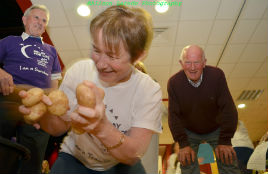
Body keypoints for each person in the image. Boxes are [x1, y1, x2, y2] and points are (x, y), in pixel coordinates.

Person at [19, 5, 162, 174]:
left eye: (112, 56)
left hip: (121, 162)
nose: (100, 64)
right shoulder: (80, 71)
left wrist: (101, 128)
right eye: (96, 49)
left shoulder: (149, 90)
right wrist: (44, 114)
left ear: (138, 56)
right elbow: (58, 127)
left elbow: (132, 154)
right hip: (75, 157)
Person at [0, 4, 62, 174]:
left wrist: (51, 105)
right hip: (9, 95)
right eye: (36, 18)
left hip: (39, 104)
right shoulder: (9, 41)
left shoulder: (51, 51)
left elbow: (54, 84)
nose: (40, 22)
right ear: (24, 19)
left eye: (44, 20)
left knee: (33, 157)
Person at [167, 45, 241, 174]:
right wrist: (183, 144)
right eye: (188, 62)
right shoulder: (174, 83)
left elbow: (228, 108)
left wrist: (225, 140)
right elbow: (174, 116)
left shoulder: (216, 76)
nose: (193, 67)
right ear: (181, 63)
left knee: (227, 160)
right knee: (187, 164)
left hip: (216, 127)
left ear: (204, 62)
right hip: (189, 130)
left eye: (197, 62)